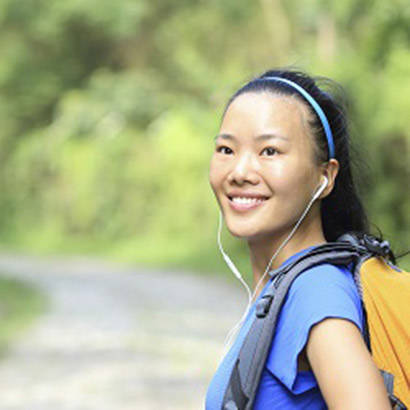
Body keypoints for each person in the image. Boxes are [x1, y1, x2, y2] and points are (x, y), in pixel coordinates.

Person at [205, 69, 391, 409]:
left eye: (270, 151)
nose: (240, 172)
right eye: (226, 149)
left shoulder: (315, 294)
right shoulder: (283, 289)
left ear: (325, 176)